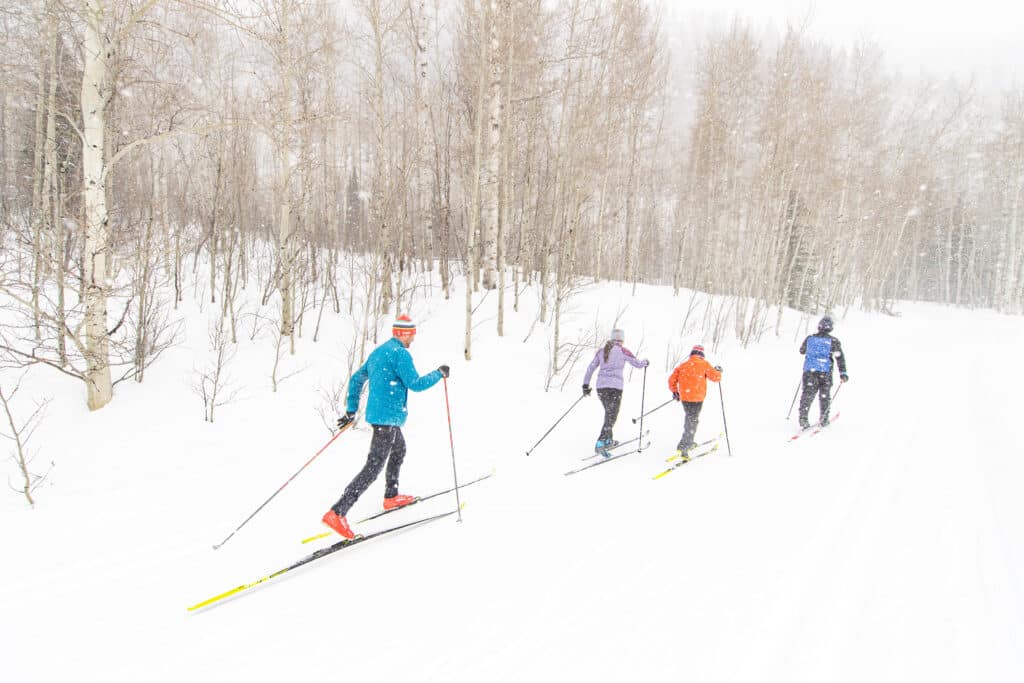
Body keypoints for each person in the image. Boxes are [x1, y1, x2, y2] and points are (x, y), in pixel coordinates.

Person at [322, 315, 449, 539]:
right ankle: (337, 512)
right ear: (401, 333)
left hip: (380, 417)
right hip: (387, 418)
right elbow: (416, 384)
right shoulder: (400, 353)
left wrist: (351, 410)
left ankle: (391, 495)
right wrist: (438, 374)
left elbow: (356, 379)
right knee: (373, 467)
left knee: (399, 449)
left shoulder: (379, 352)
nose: (413, 338)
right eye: (411, 333)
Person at [582, 328, 649, 456]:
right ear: (622, 340)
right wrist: (645, 362)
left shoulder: (602, 351)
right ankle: (600, 442)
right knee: (612, 415)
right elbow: (638, 364)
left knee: (609, 413)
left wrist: (585, 385)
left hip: (601, 388)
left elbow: (590, 368)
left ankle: (608, 440)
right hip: (615, 388)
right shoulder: (623, 351)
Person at [667, 345, 722, 460]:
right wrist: (718, 371)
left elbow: (671, 380)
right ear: (702, 354)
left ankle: (687, 442)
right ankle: (684, 445)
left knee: (690, 418)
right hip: (697, 398)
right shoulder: (704, 364)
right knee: (692, 420)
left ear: (692, 354)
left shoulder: (683, 365)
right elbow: (715, 378)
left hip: (685, 398)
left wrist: (675, 392)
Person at [797, 315, 848, 430]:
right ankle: (824, 418)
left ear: (819, 326)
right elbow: (840, 358)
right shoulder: (833, 341)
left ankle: (803, 418)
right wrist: (843, 373)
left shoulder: (809, 338)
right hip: (825, 372)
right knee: (824, 396)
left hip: (809, 371)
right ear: (831, 328)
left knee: (807, 395)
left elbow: (801, 351)